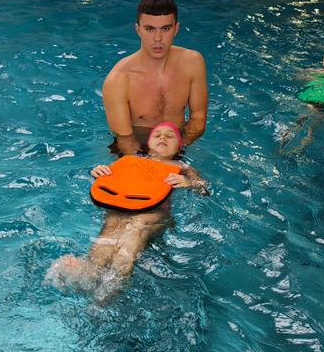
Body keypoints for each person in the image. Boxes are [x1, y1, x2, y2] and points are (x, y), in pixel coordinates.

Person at [46, 122, 208, 300]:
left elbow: (203, 189)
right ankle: (89, 272)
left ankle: (110, 289)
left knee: (135, 230)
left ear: (179, 146)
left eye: (170, 136)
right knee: (109, 230)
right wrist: (98, 171)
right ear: (149, 144)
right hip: (119, 209)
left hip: (153, 213)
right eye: (157, 135)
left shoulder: (182, 167)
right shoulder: (130, 160)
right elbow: (109, 180)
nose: (163, 137)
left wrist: (189, 182)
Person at [102, 0, 208, 156]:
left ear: (176, 29)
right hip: (134, 151)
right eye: (150, 29)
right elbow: (125, 141)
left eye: (165, 28)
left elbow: (198, 120)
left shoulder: (193, 63)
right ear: (138, 30)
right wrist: (155, 160)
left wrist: (174, 150)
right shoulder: (118, 79)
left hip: (177, 146)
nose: (158, 38)